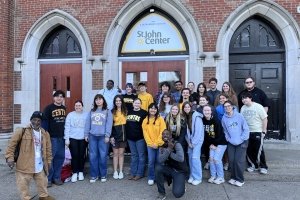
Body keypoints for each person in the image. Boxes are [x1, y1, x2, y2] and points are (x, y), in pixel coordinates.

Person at [5, 111, 54, 200]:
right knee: (23, 183)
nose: (36, 122)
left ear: (41, 122)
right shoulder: (22, 130)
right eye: (34, 120)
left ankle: (43, 196)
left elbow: (48, 149)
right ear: (31, 120)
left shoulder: (45, 133)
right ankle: (26, 198)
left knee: (42, 181)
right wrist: (9, 157)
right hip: (25, 163)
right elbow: (11, 145)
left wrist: (49, 161)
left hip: (39, 163)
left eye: (39, 120)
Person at [84, 94, 113, 183]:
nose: (98, 101)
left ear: (103, 100)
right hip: (92, 136)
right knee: (93, 156)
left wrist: (107, 135)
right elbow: (87, 123)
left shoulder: (107, 111)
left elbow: (109, 124)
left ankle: (103, 175)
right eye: (96, 99)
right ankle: (94, 175)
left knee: (103, 156)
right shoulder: (91, 111)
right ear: (95, 101)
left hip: (103, 137)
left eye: (100, 99)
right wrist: (86, 134)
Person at [221, 100, 249, 187]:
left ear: (232, 106)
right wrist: (228, 139)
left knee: (238, 161)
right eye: (225, 107)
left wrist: (242, 139)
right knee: (232, 161)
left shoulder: (239, 116)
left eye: (229, 106)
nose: (227, 108)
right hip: (231, 142)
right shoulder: (224, 118)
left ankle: (240, 179)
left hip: (242, 142)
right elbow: (225, 130)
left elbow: (246, 129)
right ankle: (233, 177)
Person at [240, 92, 268, 174]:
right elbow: (242, 120)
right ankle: (253, 165)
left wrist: (264, 130)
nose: (243, 100)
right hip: (247, 132)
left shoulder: (258, 106)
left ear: (250, 98)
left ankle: (263, 167)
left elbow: (265, 119)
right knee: (248, 150)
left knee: (259, 150)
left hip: (257, 131)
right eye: (242, 98)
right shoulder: (243, 108)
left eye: (245, 98)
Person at [43, 90, 66, 187]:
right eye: (57, 96)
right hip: (52, 137)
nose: (59, 98)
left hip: (62, 137)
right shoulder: (48, 108)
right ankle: (48, 179)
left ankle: (56, 178)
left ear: (63, 98)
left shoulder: (64, 108)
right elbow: (44, 123)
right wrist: (45, 136)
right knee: (50, 158)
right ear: (54, 98)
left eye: (61, 96)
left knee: (60, 158)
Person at [155, 130, 188, 199]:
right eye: (163, 134)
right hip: (169, 169)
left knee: (177, 194)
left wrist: (168, 152)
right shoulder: (162, 146)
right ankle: (162, 193)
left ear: (171, 136)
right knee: (158, 168)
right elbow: (160, 160)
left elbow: (180, 158)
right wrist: (169, 149)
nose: (165, 135)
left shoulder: (177, 144)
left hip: (179, 171)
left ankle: (182, 184)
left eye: (167, 134)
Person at [202, 105, 227, 184]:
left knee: (216, 159)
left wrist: (215, 144)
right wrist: (210, 144)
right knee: (211, 159)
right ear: (203, 111)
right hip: (211, 144)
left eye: (208, 110)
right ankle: (213, 176)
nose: (206, 112)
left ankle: (221, 177)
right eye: (205, 110)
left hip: (221, 142)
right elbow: (205, 135)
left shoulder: (216, 120)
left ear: (211, 111)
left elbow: (220, 134)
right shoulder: (202, 120)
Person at [142, 103, 166, 186]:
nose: (153, 110)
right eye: (151, 108)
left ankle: (159, 177)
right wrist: (150, 143)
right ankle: (151, 177)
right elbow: (145, 133)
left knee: (159, 161)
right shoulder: (145, 120)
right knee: (151, 161)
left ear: (157, 110)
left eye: (155, 108)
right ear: (149, 109)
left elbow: (163, 132)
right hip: (150, 145)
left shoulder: (160, 119)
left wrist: (157, 143)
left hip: (159, 144)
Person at [64, 100, 88, 183]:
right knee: (74, 155)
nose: (78, 107)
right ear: (74, 106)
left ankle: (80, 172)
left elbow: (88, 126)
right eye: (76, 105)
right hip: (72, 138)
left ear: (82, 106)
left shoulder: (86, 115)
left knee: (81, 155)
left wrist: (87, 135)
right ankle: (74, 172)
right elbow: (67, 127)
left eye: (79, 105)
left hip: (83, 138)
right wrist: (66, 139)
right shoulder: (70, 115)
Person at [126, 98, 148, 181]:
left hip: (140, 138)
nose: (137, 104)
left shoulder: (144, 113)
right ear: (133, 104)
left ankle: (140, 173)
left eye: (138, 103)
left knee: (141, 156)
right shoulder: (129, 112)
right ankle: (133, 173)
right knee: (134, 156)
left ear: (141, 104)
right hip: (130, 138)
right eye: (135, 103)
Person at [183, 102, 204, 186]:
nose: (186, 108)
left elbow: (198, 131)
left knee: (195, 158)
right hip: (190, 141)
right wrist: (189, 142)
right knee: (190, 158)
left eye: (188, 107)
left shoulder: (196, 116)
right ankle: (192, 175)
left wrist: (193, 143)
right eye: (185, 107)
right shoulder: (186, 116)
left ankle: (198, 178)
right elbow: (186, 133)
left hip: (197, 141)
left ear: (191, 107)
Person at [110, 95, 127, 179]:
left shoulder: (126, 111)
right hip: (115, 136)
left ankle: (120, 171)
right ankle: (115, 171)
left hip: (123, 136)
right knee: (115, 154)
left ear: (122, 101)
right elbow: (110, 125)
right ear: (114, 102)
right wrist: (111, 136)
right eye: (116, 101)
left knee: (121, 154)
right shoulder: (112, 111)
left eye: (119, 100)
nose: (118, 102)